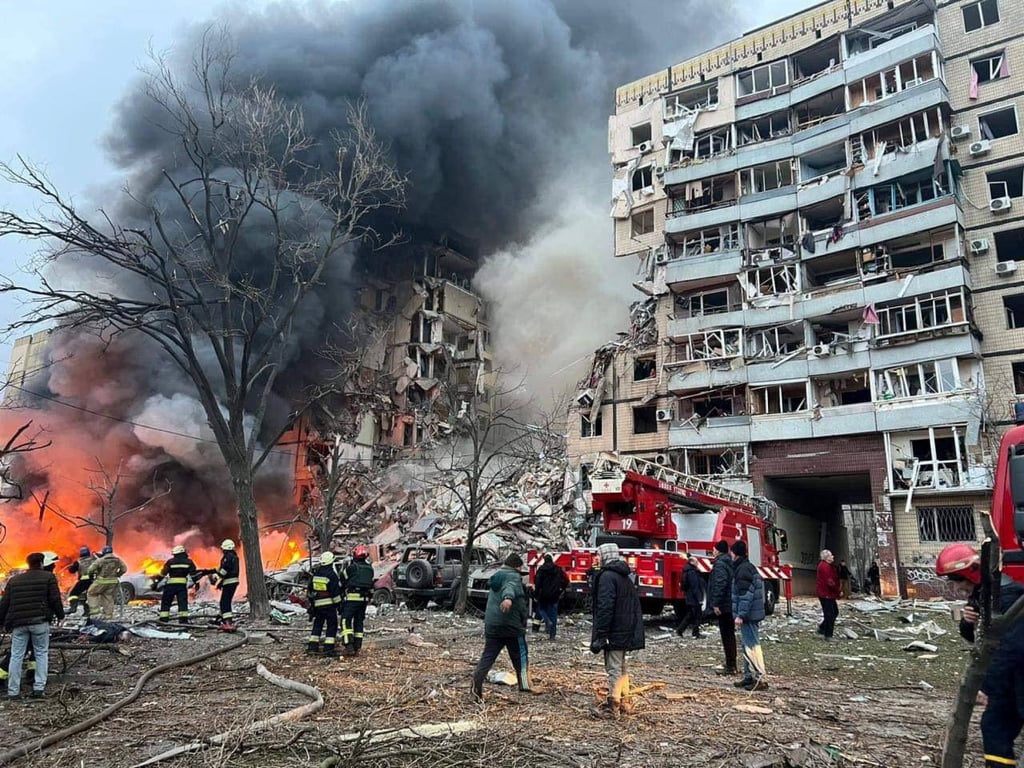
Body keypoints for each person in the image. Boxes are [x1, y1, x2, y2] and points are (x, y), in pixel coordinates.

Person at [936, 542, 1024, 768]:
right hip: (1007, 680)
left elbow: (1008, 650)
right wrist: (967, 623)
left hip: (1016, 674)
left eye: (956, 582)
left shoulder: (1003, 598)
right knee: (994, 727)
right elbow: (978, 638)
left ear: (969, 574)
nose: (955, 589)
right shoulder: (981, 596)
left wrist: (987, 686)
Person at [0, 552, 65, 700]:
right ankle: (38, 689)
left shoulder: (14, 580)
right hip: (39, 622)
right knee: (41, 653)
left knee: (16, 656)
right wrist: (60, 615)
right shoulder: (48, 577)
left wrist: (1, 622)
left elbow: (4, 603)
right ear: (42, 563)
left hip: (19, 623)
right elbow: (55, 599)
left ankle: (13, 692)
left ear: (28, 564)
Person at [590, 543, 645, 718]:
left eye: (599, 554)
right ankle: (625, 701)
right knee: (621, 666)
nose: (597, 558)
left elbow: (605, 607)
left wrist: (601, 634)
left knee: (613, 667)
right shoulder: (625, 577)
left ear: (606, 555)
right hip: (625, 628)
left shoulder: (607, 577)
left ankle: (612, 706)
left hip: (614, 629)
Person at [472, 553, 532, 701]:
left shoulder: (498, 576)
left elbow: (507, 588)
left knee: (487, 658)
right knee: (520, 657)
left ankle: (475, 687)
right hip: (511, 626)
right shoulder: (513, 577)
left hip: (493, 626)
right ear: (517, 567)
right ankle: (525, 685)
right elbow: (509, 589)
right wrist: (508, 599)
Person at [732, 539, 767, 692]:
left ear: (734, 553)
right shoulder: (748, 567)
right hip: (752, 614)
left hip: (748, 615)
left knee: (752, 645)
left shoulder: (742, 570)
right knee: (747, 645)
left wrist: (740, 615)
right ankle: (748, 676)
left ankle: (759, 677)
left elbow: (745, 595)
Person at [708, 539, 738, 675]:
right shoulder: (729, 562)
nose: (713, 551)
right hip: (730, 604)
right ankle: (731, 663)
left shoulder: (720, 564)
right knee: (730, 634)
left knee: (726, 635)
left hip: (724, 606)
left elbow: (720, 584)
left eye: (714, 549)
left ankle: (731, 666)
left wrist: (716, 603)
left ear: (718, 550)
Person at [339, 545, 375, 657]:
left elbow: (342, 577)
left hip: (352, 599)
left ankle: (348, 645)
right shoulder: (370, 568)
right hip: (364, 600)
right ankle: (357, 647)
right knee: (358, 622)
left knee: (345, 620)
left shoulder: (352, 567)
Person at [306, 551, 342, 656]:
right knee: (332, 625)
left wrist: (312, 605)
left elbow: (310, 590)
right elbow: (335, 593)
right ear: (331, 562)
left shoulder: (315, 574)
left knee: (317, 625)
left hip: (317, 606)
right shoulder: (332, 575)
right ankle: (328, 649)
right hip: (329, 605)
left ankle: (312, 647)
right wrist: (339, 606)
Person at [533, 554, 569, 640]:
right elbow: (566, 580)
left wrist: (536, 594)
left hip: (543, 595)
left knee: (541, 609)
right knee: (553, 614)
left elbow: (537, 583)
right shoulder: (558, 569)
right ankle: (552, 635)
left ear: (544, 560)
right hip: (555, 595)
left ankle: (546, 620)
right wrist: (561, 589)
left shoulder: (541, 570)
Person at [158, 545, 197, 623]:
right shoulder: (189, 562)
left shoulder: (170, 561)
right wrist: (197, 583)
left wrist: (156, 582)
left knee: (166, 602)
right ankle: (183, 621)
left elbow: (163, 573)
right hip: (181, 586)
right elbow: (194, 575)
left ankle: (163, 620)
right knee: (182, 603)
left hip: (170, 586)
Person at [86, 546, 127, 620]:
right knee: (108, 596)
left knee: (91, 593)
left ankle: (95, 612)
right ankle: (108, 616)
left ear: (104, 552)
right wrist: (118, 575)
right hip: (113, 581)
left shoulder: (101, 560)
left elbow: (90, 570)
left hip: (101, 581)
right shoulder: (117, 560)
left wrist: (92, 575)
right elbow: (124, 569)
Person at [675, 554, 705, 638]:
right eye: (696, 562)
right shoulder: (692, 572)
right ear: (692, 562)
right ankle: (695, 633)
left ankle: (680, 630)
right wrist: (699, 598)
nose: (697, 563)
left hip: (689, 596)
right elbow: (695, 586)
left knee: (690, 615)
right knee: (697, 615)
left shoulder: (687, 570)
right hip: (693, 597)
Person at [816, 549, 840, 641]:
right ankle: (828, 635)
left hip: (828, 594)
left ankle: (822, 628)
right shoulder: (825, 567)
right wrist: (838, 591)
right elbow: (829, 581)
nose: (833, 556)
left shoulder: (827, 566)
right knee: (830, 614)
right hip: (826, 594)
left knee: (834, 612)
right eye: (831, 555)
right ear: (827, 558)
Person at [216, 539, 240, 629]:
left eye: (223, 549)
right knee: (225, 601)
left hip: (229, 582)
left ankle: (228, 622)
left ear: (226, 548)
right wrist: (221, 583)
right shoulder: (234, 556)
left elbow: (226, 569)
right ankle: (220, 619)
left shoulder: (228, 556)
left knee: (224, 602)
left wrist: (218, 576)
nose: (222, 550)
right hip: (231, 581)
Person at [67, 546, 95, 616]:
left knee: (73, 594)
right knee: (88, 596)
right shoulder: (94, 560)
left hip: (83, 582)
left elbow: (71, 571)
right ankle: (87, 612)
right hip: (93, 581)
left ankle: (73, 607)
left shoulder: (78, 562)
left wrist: (70, 567)